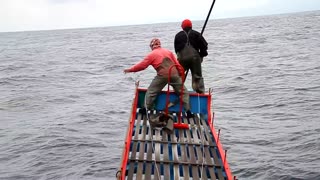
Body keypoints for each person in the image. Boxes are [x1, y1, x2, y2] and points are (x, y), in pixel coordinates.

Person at [124, 38, 192, 117]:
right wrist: (180, 74)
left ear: (152, 46)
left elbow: (142, 66)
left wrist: (130, 70)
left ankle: (146, 109)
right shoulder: (168, 52)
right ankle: (188, 111)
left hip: (162, 75)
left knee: (152, 91)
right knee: (183, 92)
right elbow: (178, 65)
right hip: (174, 73)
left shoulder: (151, 54)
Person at [174, 19, 208, 94]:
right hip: (195, 59)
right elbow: (204, 46)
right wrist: (201, 55)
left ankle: (178, 91)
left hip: (182, 58)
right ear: (191, 26)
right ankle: (200, 93)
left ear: (182, 27)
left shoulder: (178, 35)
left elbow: (176, 49)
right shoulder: (197, 34)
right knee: (197, 76)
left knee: (178, 75)